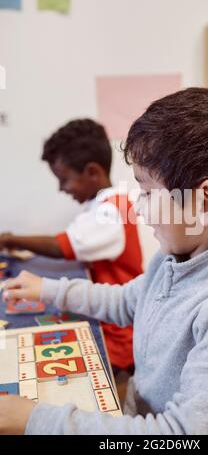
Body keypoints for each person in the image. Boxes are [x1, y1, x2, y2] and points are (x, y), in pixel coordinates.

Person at [0, 88, 208, 435]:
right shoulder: (174, 259)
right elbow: (125, 301)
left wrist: (35, 420)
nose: (139, 208)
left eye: (147, 192)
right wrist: (47, 289)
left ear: (205, 203)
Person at [0, 119, 143, 373]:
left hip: (117, 335)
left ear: (92, 172)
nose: (61, 189)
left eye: (64, 179)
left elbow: (62, 246)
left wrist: (10, 239)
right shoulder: (100, 206)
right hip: (105, 317)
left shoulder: (112, 212)